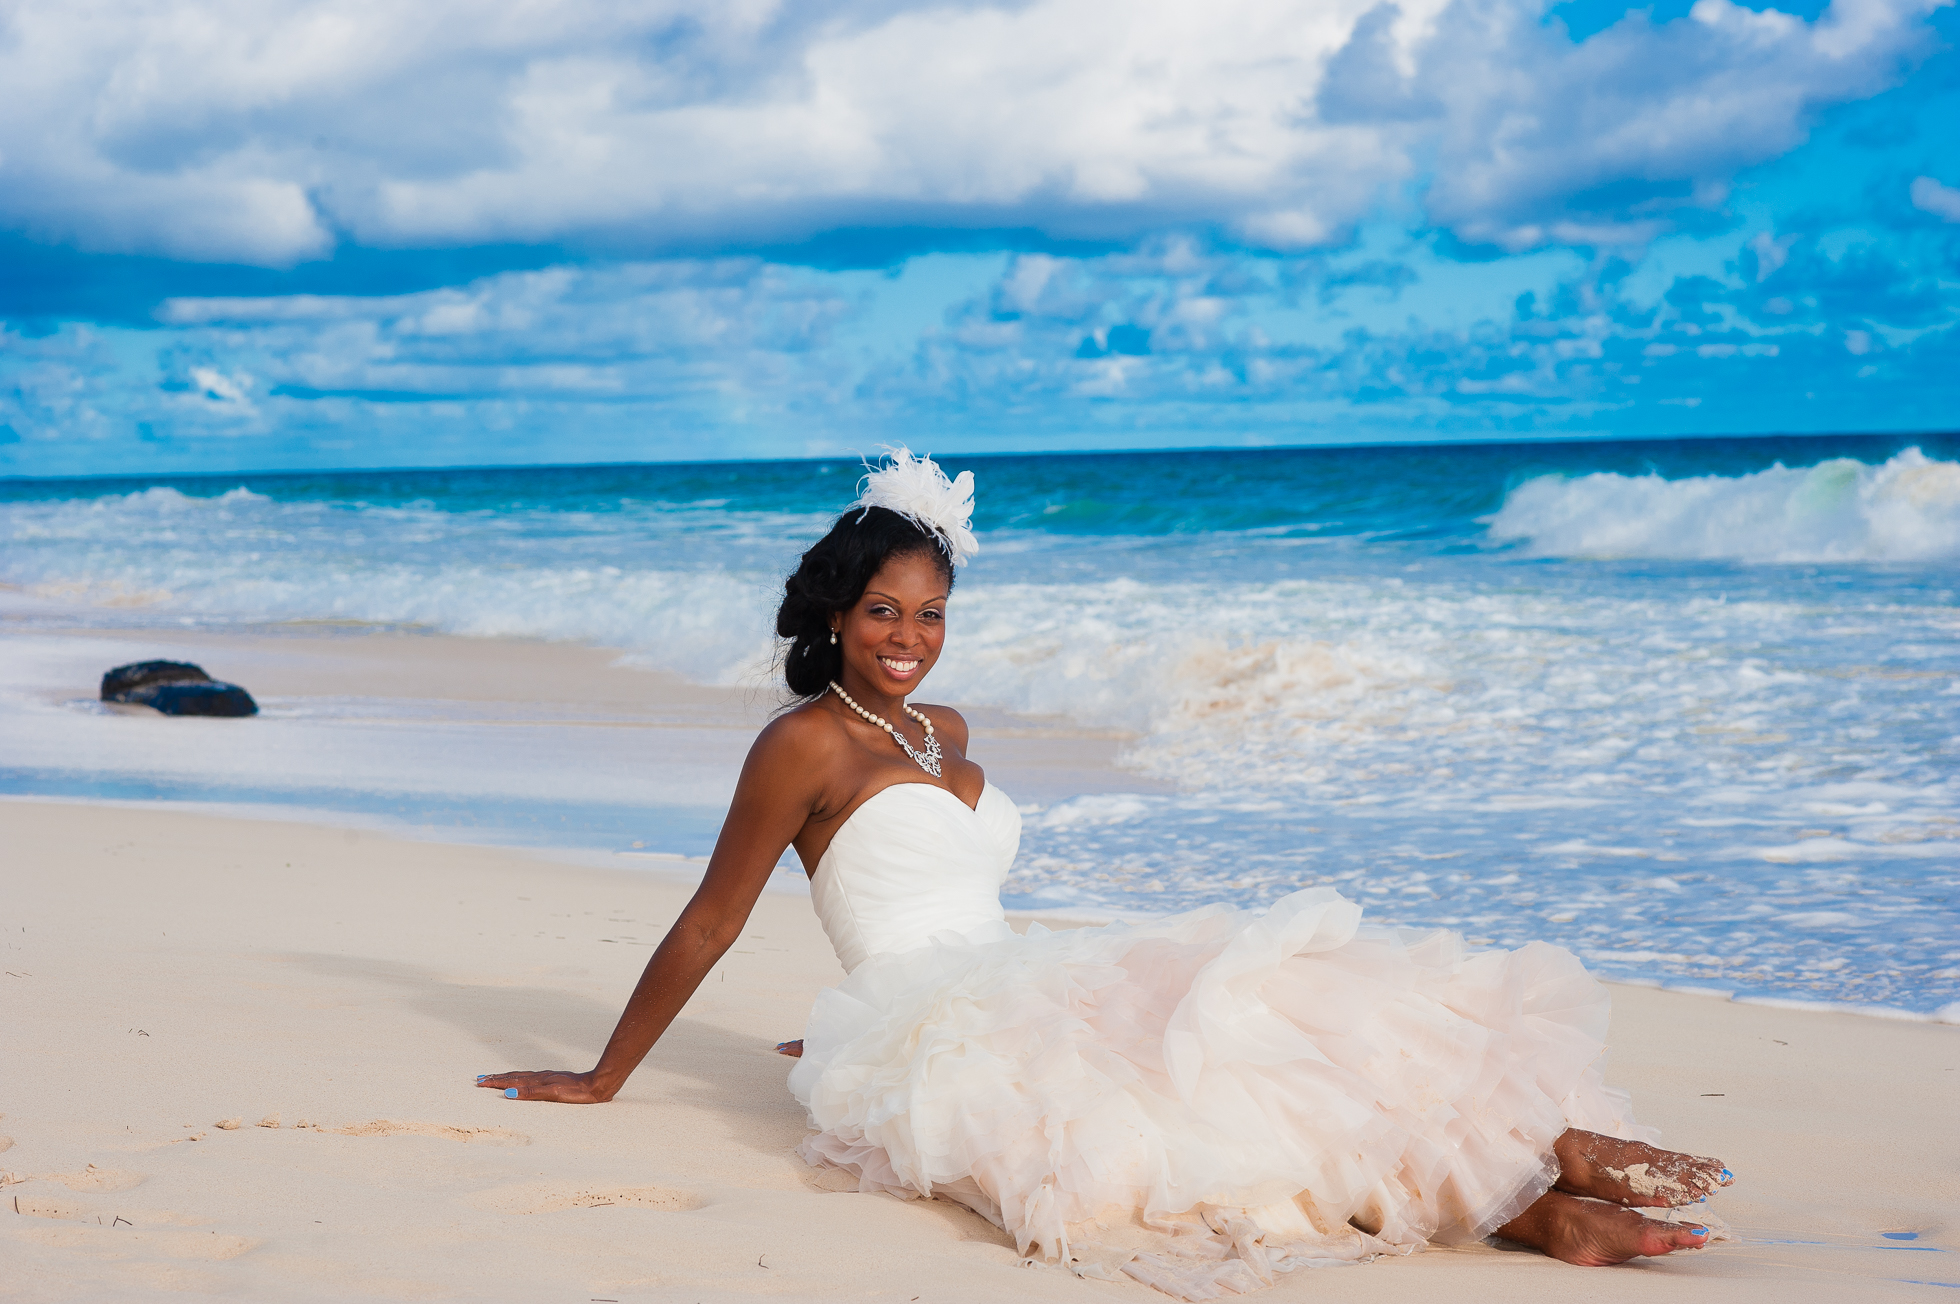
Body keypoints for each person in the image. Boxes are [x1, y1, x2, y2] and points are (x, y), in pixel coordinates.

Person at [477, 450, 1732, 1299]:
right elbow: (714, 917)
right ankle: (1531, 1211)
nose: (908, 638)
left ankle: (1546, 1145)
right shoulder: (798, 742)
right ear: (833, 613)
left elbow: (942, 896)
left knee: (1261, 1004)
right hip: (938, 1021)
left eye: (929, 613)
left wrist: (850, 1024)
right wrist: (605, 1073)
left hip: (1018, 971)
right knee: (1199, 1117)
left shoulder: (947, 729)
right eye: (881, 613)